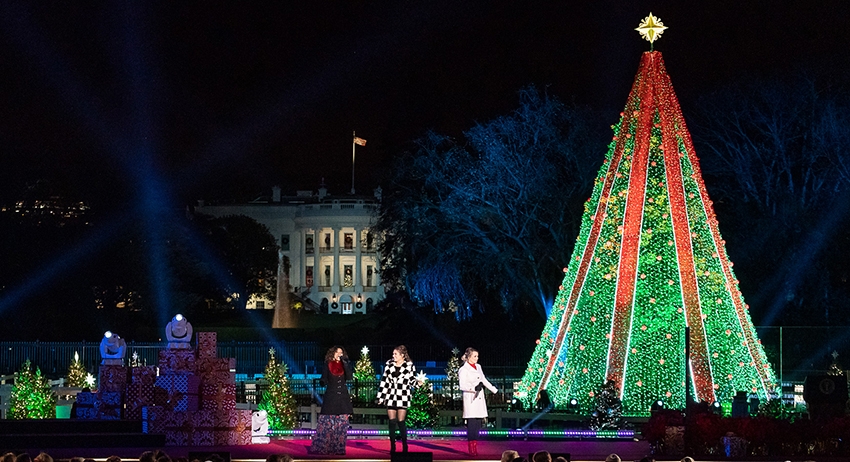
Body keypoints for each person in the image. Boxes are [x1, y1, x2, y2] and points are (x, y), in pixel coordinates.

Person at [309, 346, 353, 455]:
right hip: (331, 397)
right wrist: (322, 382)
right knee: (326, 423)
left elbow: (349, 377)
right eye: (337, 352)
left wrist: (345, 364)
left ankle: (338, 448)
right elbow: (324, 377)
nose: (339, 354)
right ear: (333, 353)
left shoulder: (344, 364)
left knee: (341, 424)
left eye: (341, 352)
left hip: (343, 398)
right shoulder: (328, 364)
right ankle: (323, 447)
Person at [377, 345, 416, 453]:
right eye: (393, 354)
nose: (393, 356)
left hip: (403, 396)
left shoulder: (409, 366)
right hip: (391, 396)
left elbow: (412, 380)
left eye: (396, 354)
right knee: (392, 422)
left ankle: (405, 445)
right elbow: (384, 382)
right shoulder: (389, 365)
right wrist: (381, 397)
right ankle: (392, 446)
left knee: (401, 421)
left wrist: (418, 383)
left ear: (402, 355)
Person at [459, 347, 497, 456]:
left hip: (479, 399)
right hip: (471, 399)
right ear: (468, 357)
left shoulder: (478, 367)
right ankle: (471, 449)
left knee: (478, 424)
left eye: (477, 356)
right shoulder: (463, 369)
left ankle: (475, 446)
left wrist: (494, 389)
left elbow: (483, 379)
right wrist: (473, 388)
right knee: (472, 424)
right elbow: (462, 385)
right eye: (474, 356)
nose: (477, 358)